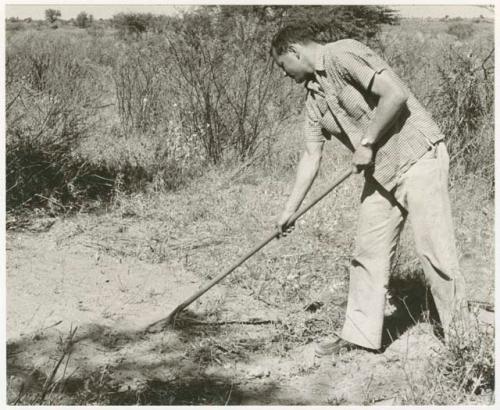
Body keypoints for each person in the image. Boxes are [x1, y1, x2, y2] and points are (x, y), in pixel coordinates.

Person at [270, 24, 467, 356]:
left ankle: (465, 340)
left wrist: (367, 142)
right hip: (382, 172)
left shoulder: (343, 53)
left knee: (436, 253)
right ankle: (360, 335)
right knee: (367, 252)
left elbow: (395, 93)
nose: (284, 74)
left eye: (282, 65)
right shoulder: (313, 98)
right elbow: (310, 154)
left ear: (294, 51)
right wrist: (289, 210)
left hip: (417, 155)